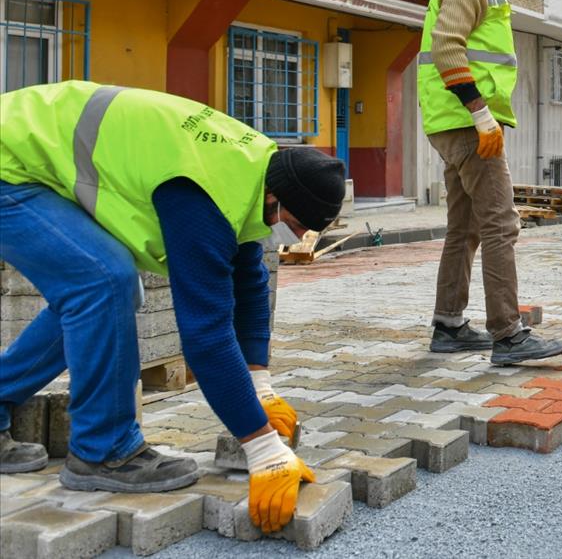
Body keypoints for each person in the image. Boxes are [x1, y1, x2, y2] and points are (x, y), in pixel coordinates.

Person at [0, 82, 346, 534]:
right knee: (104, 282)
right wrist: (262, 448)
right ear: (275, 201)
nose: (297, 241)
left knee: (103, 290)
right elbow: (205, 334)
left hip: (28, 155)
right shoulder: (202, 192)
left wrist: (259, 384)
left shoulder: (260, 171)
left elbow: (248, 277)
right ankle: (104, 451)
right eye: (297, 227)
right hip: (10, 162)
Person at [417, 0, 562, 365]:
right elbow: (448, 48)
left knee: (463, 228)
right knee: (501, 225)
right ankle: (508, 335)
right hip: (469, 124)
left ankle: (448, 325)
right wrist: (481, 114)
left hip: (455, 121)